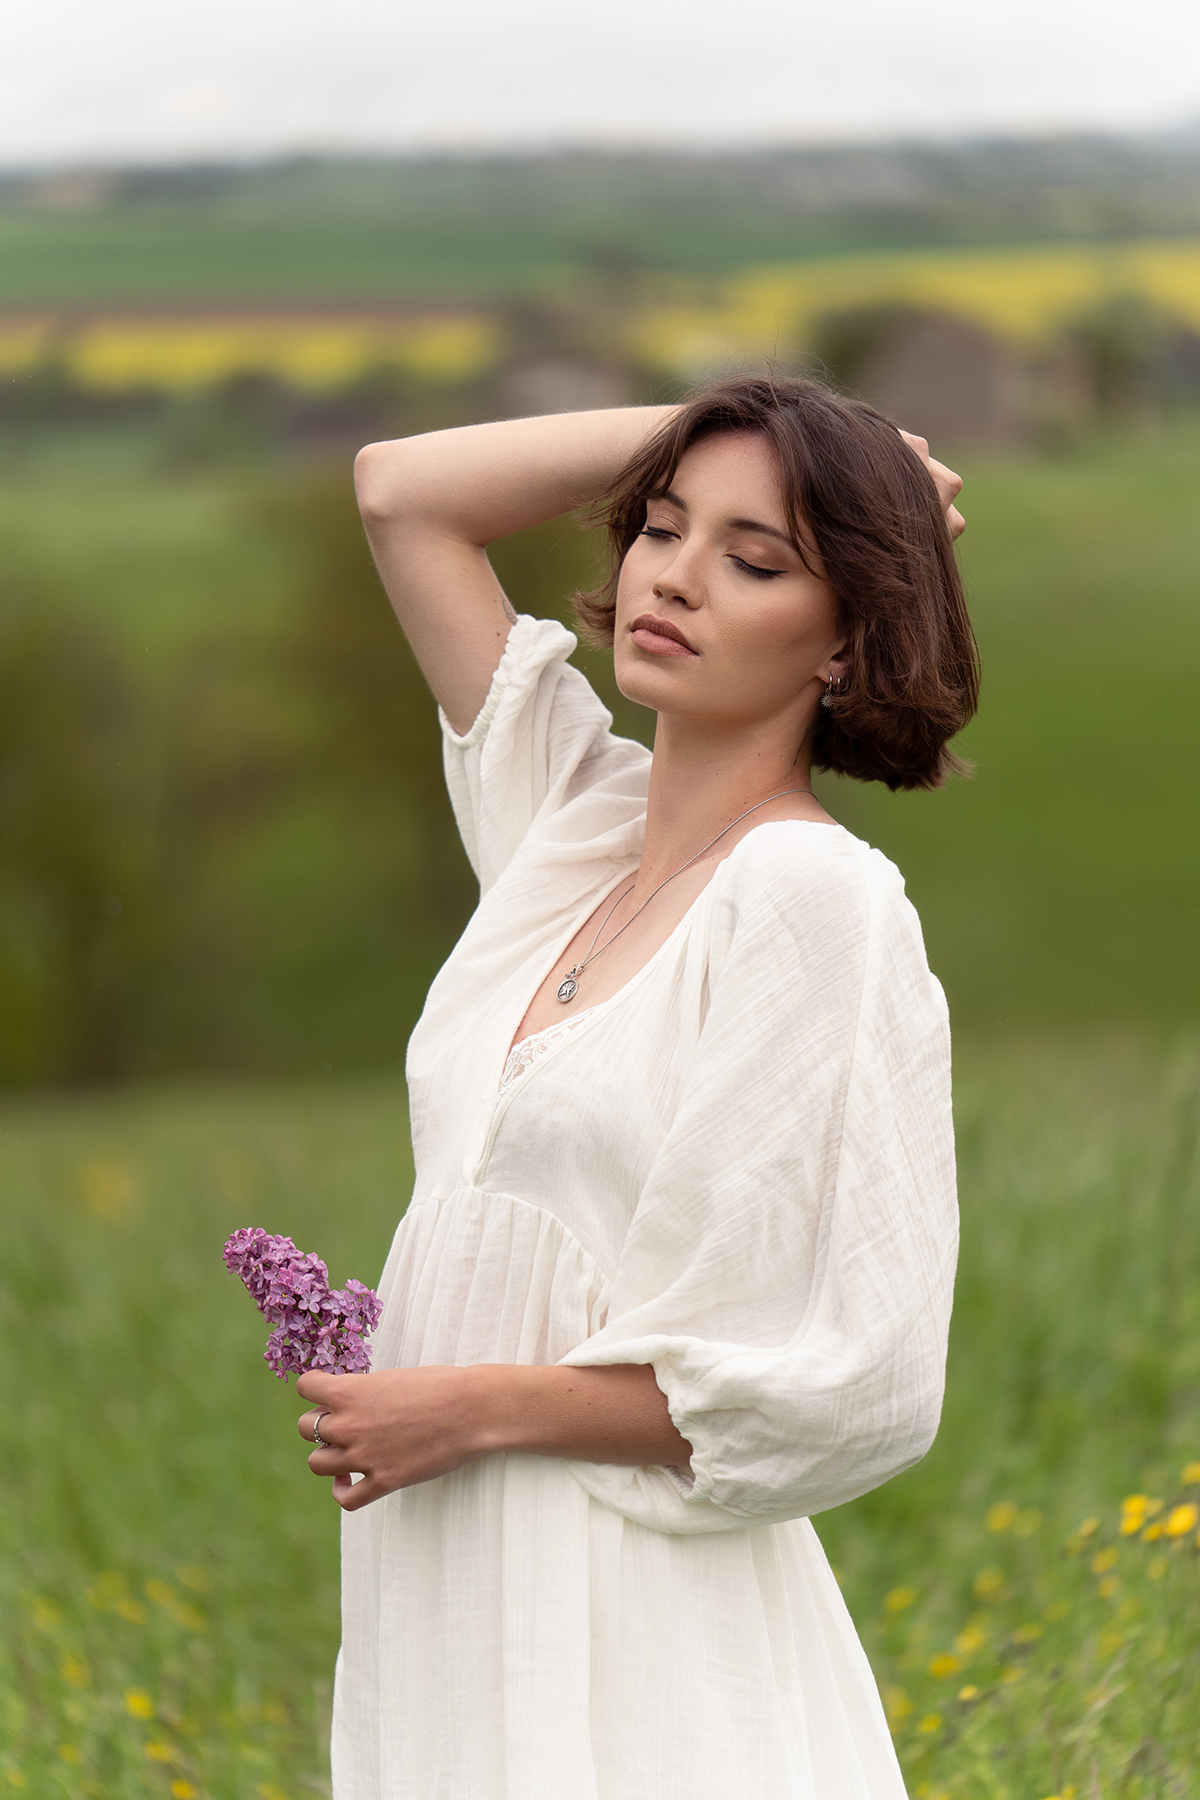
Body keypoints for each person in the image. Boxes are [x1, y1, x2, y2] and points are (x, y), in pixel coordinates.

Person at [295, 374, 976, 1800]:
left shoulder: (812, 900)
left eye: (757, 558)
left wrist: (472, 1406)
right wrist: (756, 424)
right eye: (663, 528)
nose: (675, 574)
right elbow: (400, 491)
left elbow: (854, 1381)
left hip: (626, 1588)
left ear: (849, 639)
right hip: (446, 1562)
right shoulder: (573, 829)